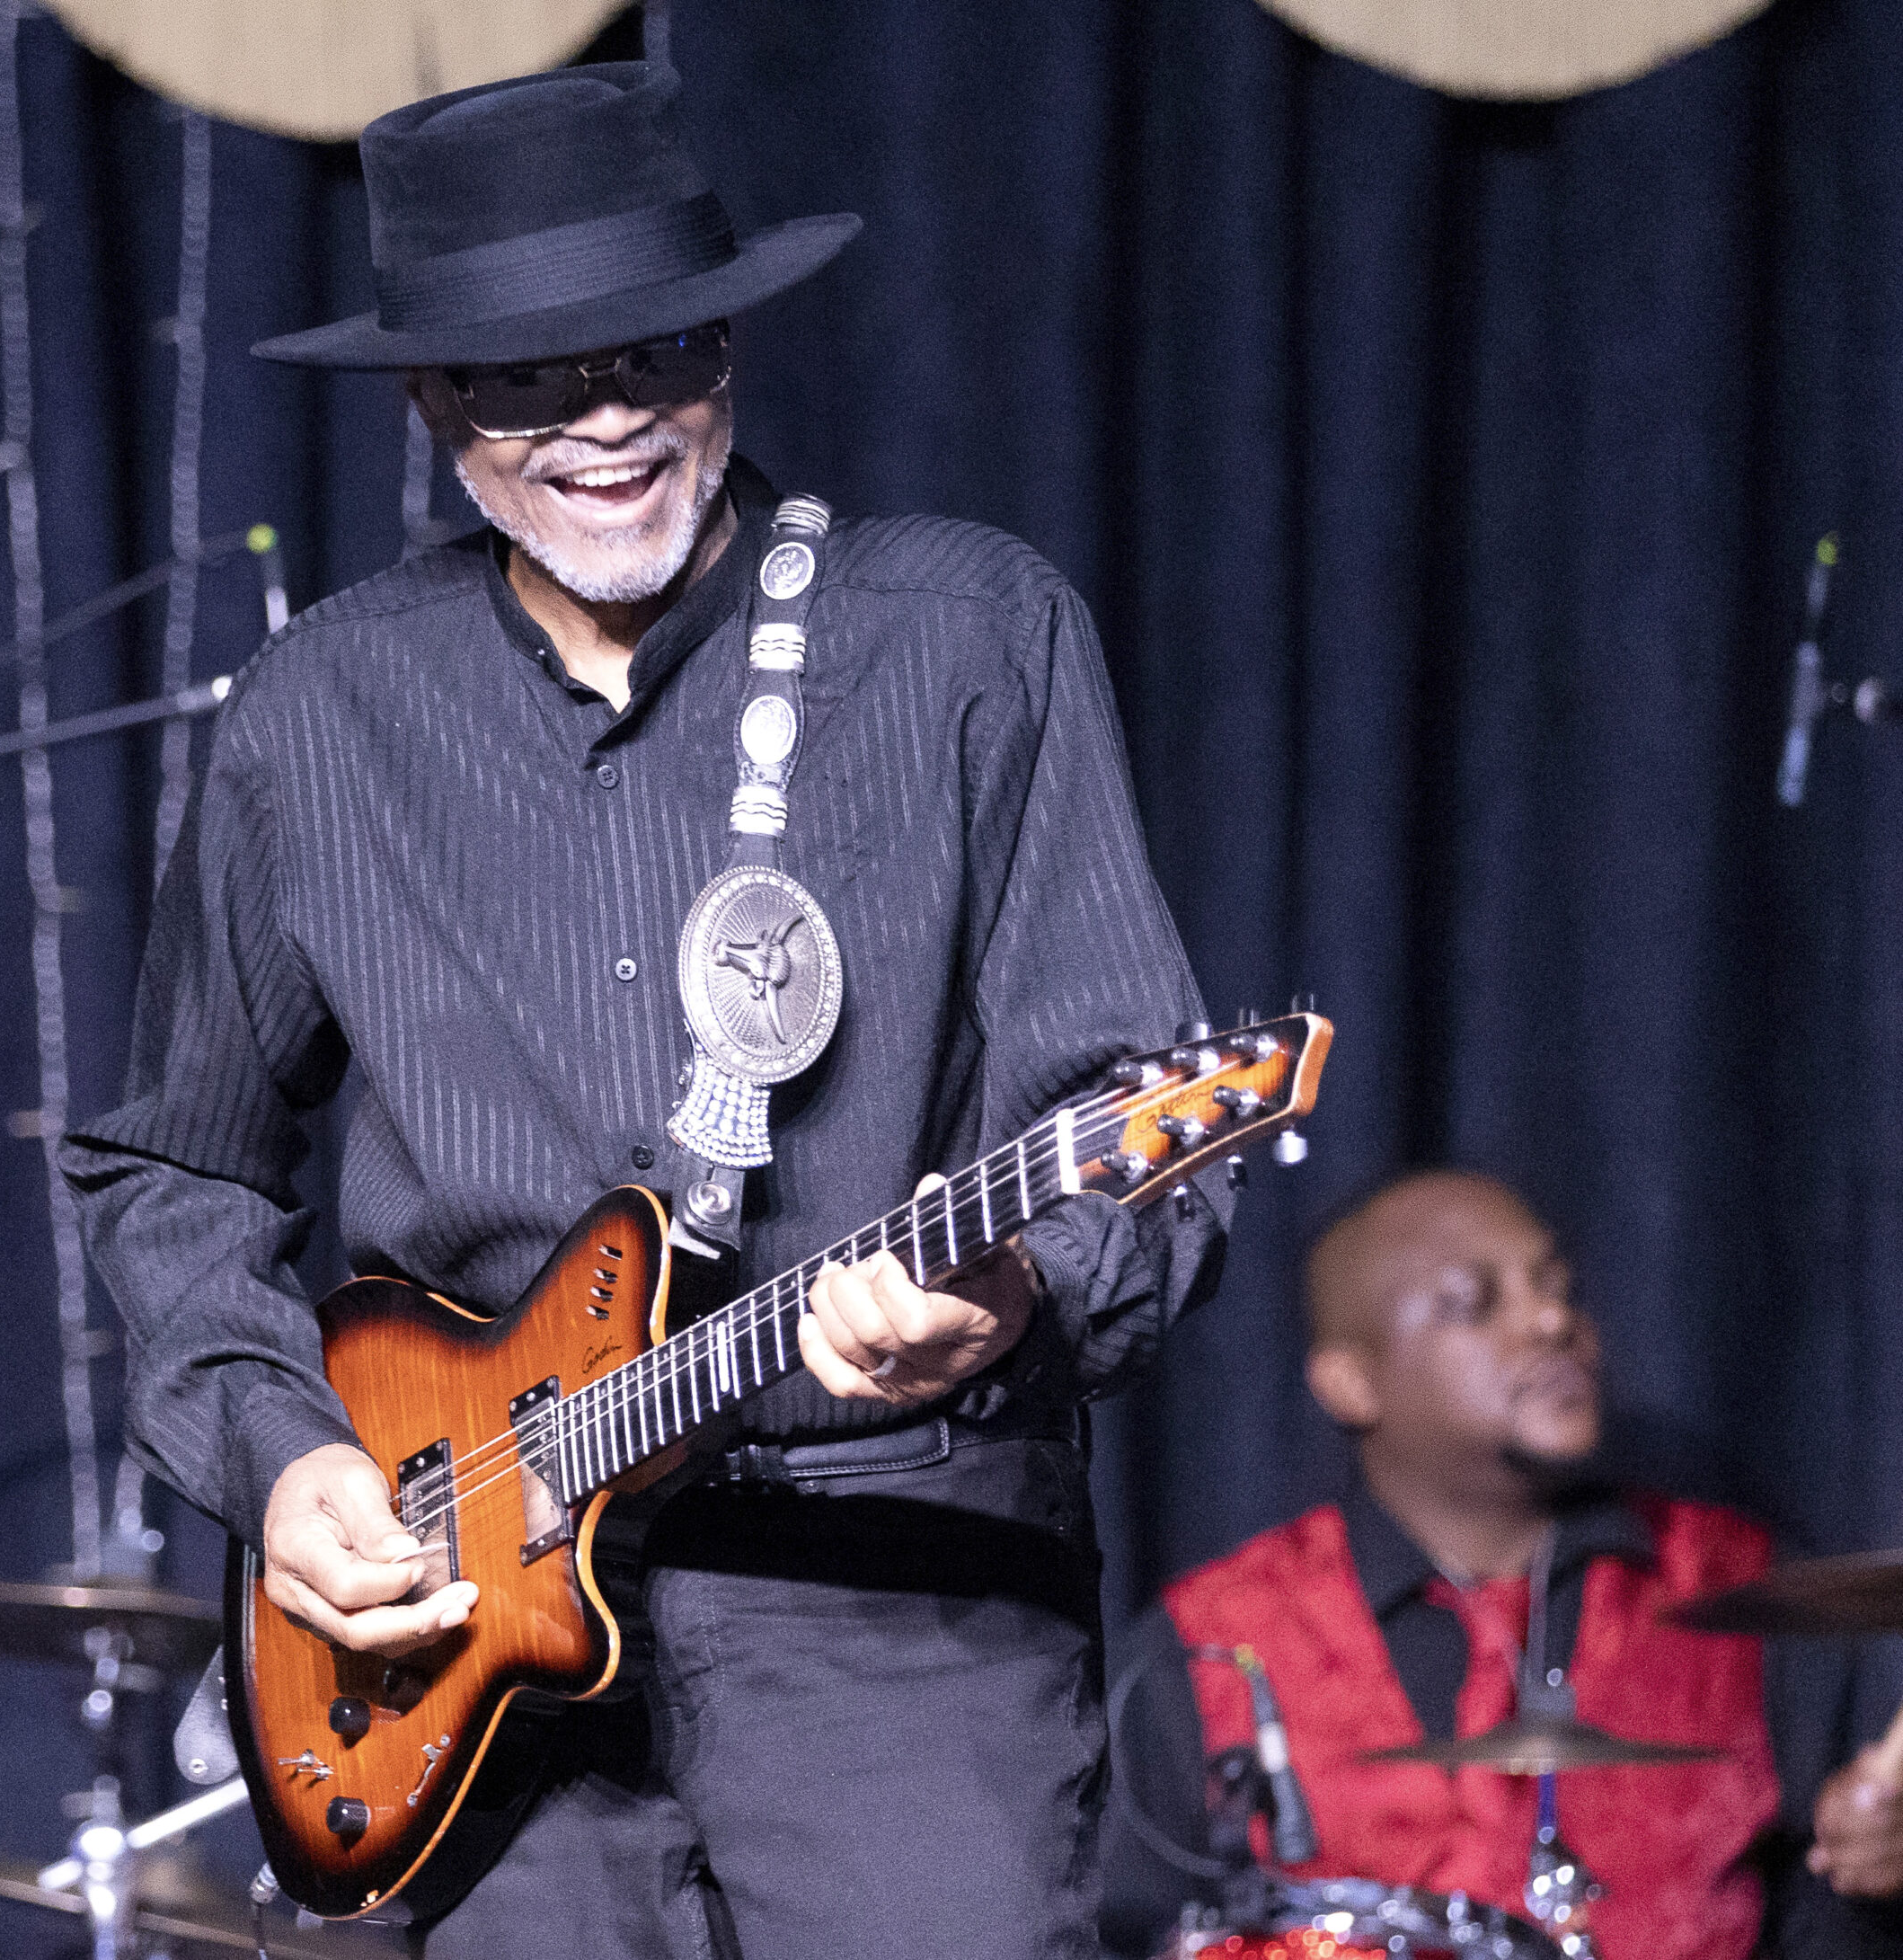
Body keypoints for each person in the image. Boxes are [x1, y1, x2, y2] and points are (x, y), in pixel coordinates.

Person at [60, 63, 1233, 1960]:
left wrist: (1015, 1288)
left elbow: (1131, 1109)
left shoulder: (965, 635)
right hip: (469, 1632)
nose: (603, 420)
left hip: (894, 1597)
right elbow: (171, 1166)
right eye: (524, 378)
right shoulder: (317, 715)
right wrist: (281, 1456)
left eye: (651, 353)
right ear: (430, 400)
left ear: (729, 347)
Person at [1099, 1169, 1903, 1958]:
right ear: (1351, 1382)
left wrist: (1877, 1877)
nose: (1552, 1320)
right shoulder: (1207, 1643)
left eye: (1559, 1287)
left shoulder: (1740, 1587)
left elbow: (1829, 1913)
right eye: (1474, 1302)